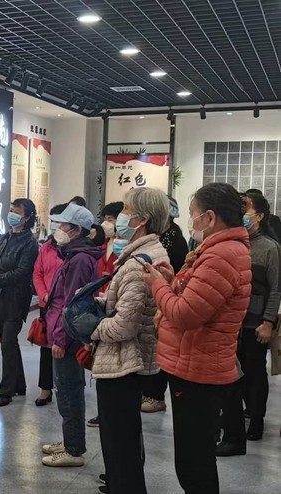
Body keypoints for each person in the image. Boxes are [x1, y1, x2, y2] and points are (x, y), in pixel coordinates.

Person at [143, 182, 252, 494]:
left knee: (194, 462)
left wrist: (156, 285)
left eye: (193, 214)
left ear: (210, 217)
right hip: (196, 364)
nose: (190, 220)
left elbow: (185, 314)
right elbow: (199, 299)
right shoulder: (219, 251)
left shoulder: (222, 256)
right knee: (194, 456)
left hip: (199, 371)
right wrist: (171, 280)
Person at [90, 187, 170, 494]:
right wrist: (100, 303)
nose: (120, 217)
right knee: (121, 438)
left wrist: (93, 328)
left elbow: (125, 325)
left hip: (125, 361)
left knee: (120, 440)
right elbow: (127, 304)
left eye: (126, 210)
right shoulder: (139, 254)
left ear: (142, 219)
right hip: (125, 359)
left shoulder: (140, 263)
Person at [217, 192, 281, 455]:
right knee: (232, 371)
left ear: (260, 216)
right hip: (231, 320)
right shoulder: (234, 243)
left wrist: (267, 322)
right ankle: (234, 416)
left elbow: (275, 290)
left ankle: (256, 418)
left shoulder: (269, 248)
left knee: (254, 373)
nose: (242, 214)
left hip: (255, 321)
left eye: (247, 210)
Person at [41, 203, 103, 467]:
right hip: (64, 332)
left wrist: (61, 339)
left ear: (77, 230)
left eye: (62, 224)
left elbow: (72, 304)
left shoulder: (79, 260)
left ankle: (73, 449)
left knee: (68, 391)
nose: (57, 228)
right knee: (66, 388)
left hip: (67, 336)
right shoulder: (75, 255)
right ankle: (69, 441)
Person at [0, 199, 39, 407]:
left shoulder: (29, 243)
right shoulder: (7, 237)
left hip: (16, 299)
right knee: (10, 343)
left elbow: (22, 272)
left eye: (17, 211)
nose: (12, 214)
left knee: (7, 342)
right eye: (11, 210)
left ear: (27, 217)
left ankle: (6, 390)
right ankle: (19, 385)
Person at [140, 195, 189, 414]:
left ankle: (155, 395)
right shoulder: (157, 235)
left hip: (165, 296)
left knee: (159, 346)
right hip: (156, 294)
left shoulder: (174, 239)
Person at [87, 201, 125, 429]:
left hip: (117, 309)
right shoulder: (103, 244)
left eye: (111, 219)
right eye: (105, 219)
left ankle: (111, 415)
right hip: (101, 302)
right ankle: (104, 412)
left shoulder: (126, 247)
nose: (106, 224)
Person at [32, 203, 68, 407]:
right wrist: (43, 295)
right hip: (46, 305)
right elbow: (37, 273)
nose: (55, 225)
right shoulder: (46, 247)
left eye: (59, 221)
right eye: (52, 221)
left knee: (65, 347)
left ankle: (67, 388)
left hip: (65, 306)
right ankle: (45, 388)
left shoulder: (73, 250)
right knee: (45, 348)